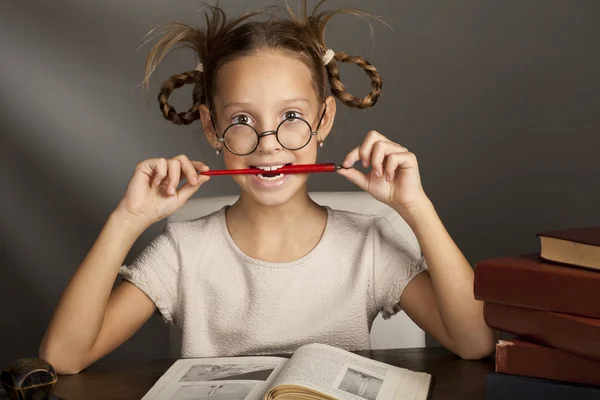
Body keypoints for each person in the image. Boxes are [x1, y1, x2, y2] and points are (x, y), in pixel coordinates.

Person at [39, 1, 496, 375]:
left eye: (292, 118)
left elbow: (474, 342)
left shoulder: (371, 245)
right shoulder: (182, 252)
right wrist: (128, 220)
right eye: (241, 121)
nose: (269, 145)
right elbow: (62, 357)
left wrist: (416, 207)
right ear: (212, 128)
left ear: (325, 120)